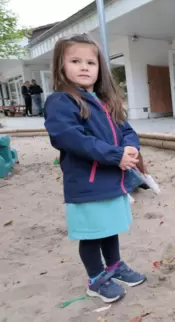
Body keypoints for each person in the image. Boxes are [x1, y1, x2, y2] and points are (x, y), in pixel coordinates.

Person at [44, 34, 146, 303]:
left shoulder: (104, 100)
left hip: (112, 178)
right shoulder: (60, 101)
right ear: (61, 66)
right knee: (91, 235)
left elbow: (127, 129)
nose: (84, 67)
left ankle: (114, 266)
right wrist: (116, 155)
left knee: (109, 227)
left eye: (91, 61)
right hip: (87, 184)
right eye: (75, 61)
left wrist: (131, 148)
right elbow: (72, 139)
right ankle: (96, 279)